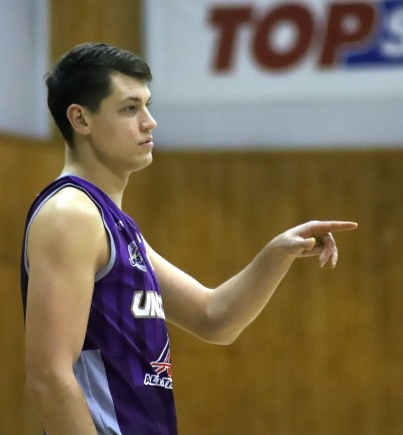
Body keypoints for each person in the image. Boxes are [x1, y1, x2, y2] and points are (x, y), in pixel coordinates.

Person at [20, 42, 357, 435]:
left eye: (147, 105)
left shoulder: (113, 225)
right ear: (80, 119)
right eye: (129, 108)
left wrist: (277, 253)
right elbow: (48, 378)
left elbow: (214, 318)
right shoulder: (71, 215)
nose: (150, 122)